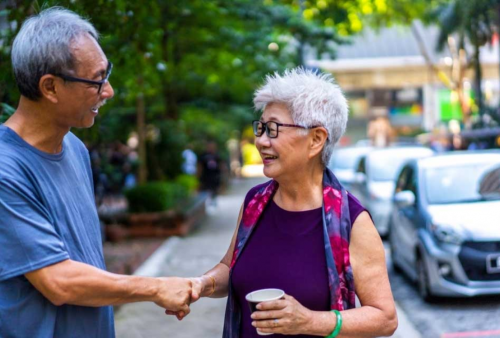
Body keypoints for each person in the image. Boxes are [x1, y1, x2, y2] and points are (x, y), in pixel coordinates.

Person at [0, 8, 194, 337]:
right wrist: (155, 287)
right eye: (96, 80)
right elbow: (58, 281)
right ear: (50, 87)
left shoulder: (74, 148)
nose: (109, 91)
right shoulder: (7, 170)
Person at [182, 68, 398, 337]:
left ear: (316, 140)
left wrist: (310, 321)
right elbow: (230, 267)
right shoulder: (254, 203)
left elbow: (385, 318)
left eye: (273, 129)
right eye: (260, 128)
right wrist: (200, 285)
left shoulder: (351, 221)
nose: (260, 141)